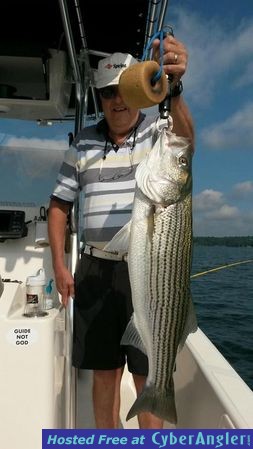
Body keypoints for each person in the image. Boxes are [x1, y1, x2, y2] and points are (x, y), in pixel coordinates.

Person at [48, 34, 194, 429]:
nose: (117, 101)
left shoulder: (157, 133)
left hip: (146, 272)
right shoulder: (82, 142)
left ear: (136, 90)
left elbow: (184, 143)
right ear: (99, 97)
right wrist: (60, 267)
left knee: (146, 373)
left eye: (123, 90)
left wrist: (173, 90)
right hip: (95, 269)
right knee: (104, 373)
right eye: (108, 93)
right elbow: (60, 207)